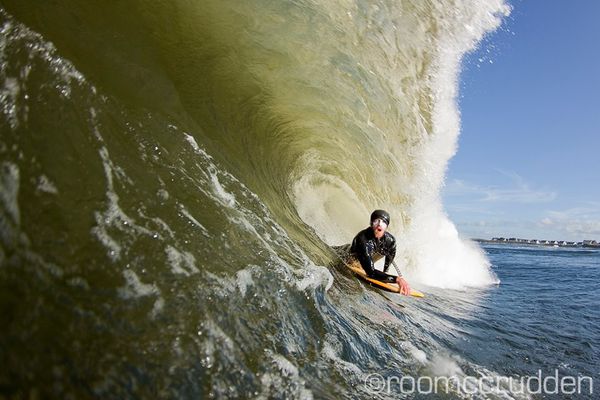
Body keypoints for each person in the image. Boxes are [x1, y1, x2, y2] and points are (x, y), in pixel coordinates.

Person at [350, 209, 411, 295]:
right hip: (346, 256)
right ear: (371, 223)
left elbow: (391, 253)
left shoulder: (390, 241)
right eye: (376, 221)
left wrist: (385, 272)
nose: (379, 224)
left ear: (386, 226)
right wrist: (397, 279)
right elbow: (370, 273)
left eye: (383, 222)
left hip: (362, 262)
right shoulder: (363, 240)